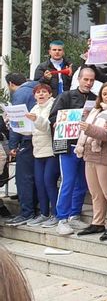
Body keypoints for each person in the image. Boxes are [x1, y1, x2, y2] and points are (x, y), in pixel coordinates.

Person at [48, 67, 98, 236]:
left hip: (87, 145)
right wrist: (75, 116)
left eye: (91, 80)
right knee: (68, 181)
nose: (89, 83)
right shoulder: (66, 96)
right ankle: (61, 218)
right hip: (68, 145)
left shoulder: (95, 98)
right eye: (86, 79)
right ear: (79, 79)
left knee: (82, 183)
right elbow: (53, 117)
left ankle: (74, 215)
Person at [76, 82, 107, 240]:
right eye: (105, 94)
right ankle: (97, 222)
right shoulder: (95, 111)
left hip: (104, 155)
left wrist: (88, 128)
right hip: (89, 153)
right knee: (95, 193)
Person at [13, 82, 55, 228]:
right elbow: (30, 131)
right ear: (34, 95)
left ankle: (55, 214)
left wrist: (35, 119)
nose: (41, 94)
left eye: (44, 92)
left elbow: (47, 127)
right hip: (37, 151)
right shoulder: (35, 107)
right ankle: (43, 214)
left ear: (50, 94)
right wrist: (15, 124)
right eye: (38, 92)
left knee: (49, 182)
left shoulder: (52, 105)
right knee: (39, 183)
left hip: (50, 151)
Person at [2, 74, 38, 226]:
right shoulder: (38, 89)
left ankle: (26, 212)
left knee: (24, 179)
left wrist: (12, 146)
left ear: (11, 84)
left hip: (26, 141)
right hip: (40, 140)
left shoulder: (20, 94)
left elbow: (17, 122)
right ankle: (37, 210)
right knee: (37, 178)